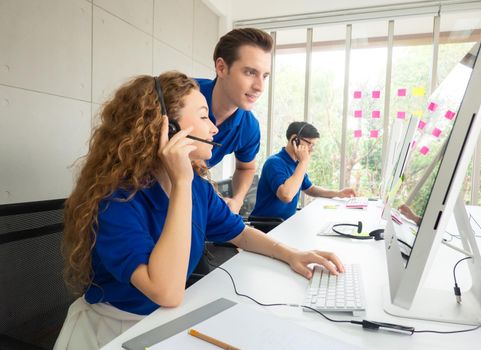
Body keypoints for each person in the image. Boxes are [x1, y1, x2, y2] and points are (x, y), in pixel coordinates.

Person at [54, 71, 344, 350]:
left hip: (162, 321)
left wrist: (291, 254)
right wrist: (181, 181)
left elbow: (241, 234)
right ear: (167, 128)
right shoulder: (117, 201)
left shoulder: (197, 188)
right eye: (204, 116)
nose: (214, 128)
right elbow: (166, 291)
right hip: (116, 330)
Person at [194, 28, 273, 214]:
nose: (260, 87)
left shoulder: (249, 128)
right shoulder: (180, 94)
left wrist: (237, 200)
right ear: (221, 68)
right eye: (250, 72)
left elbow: (246, 167)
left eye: (265, 76)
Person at [251, 121, 357, 221]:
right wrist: (304, 162)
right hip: (266, 226)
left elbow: (310, 189)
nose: (311, 149)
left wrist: (338, 193)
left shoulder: (296, 164)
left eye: (313, 145)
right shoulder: (274, 163)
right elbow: (286, 196)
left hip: (285, 224)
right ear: (294, 140)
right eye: (309, 144)